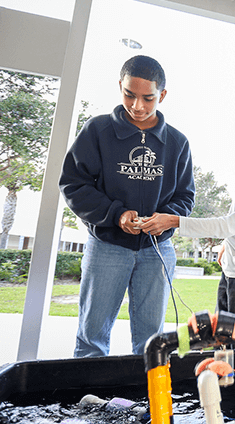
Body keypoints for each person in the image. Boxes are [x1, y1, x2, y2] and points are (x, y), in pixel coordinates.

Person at [59, 55, 195, 357]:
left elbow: (186, 196)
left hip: (157, 251)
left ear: (162, 95)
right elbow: (73, 184)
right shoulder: (97, 130)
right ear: (120, 87)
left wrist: (167, 219)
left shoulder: (177, 142)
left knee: (152, 341)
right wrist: (116, 214)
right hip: (106, 246)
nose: (137, 106)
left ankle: (149, 402)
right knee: (92, 335)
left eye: (148, 98)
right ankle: (88, 400)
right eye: (129, 95)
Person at [140, 131, 235, 316]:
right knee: (223, 333)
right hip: (231, 271)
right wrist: (227, 242)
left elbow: (226, 225)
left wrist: (173, 221)